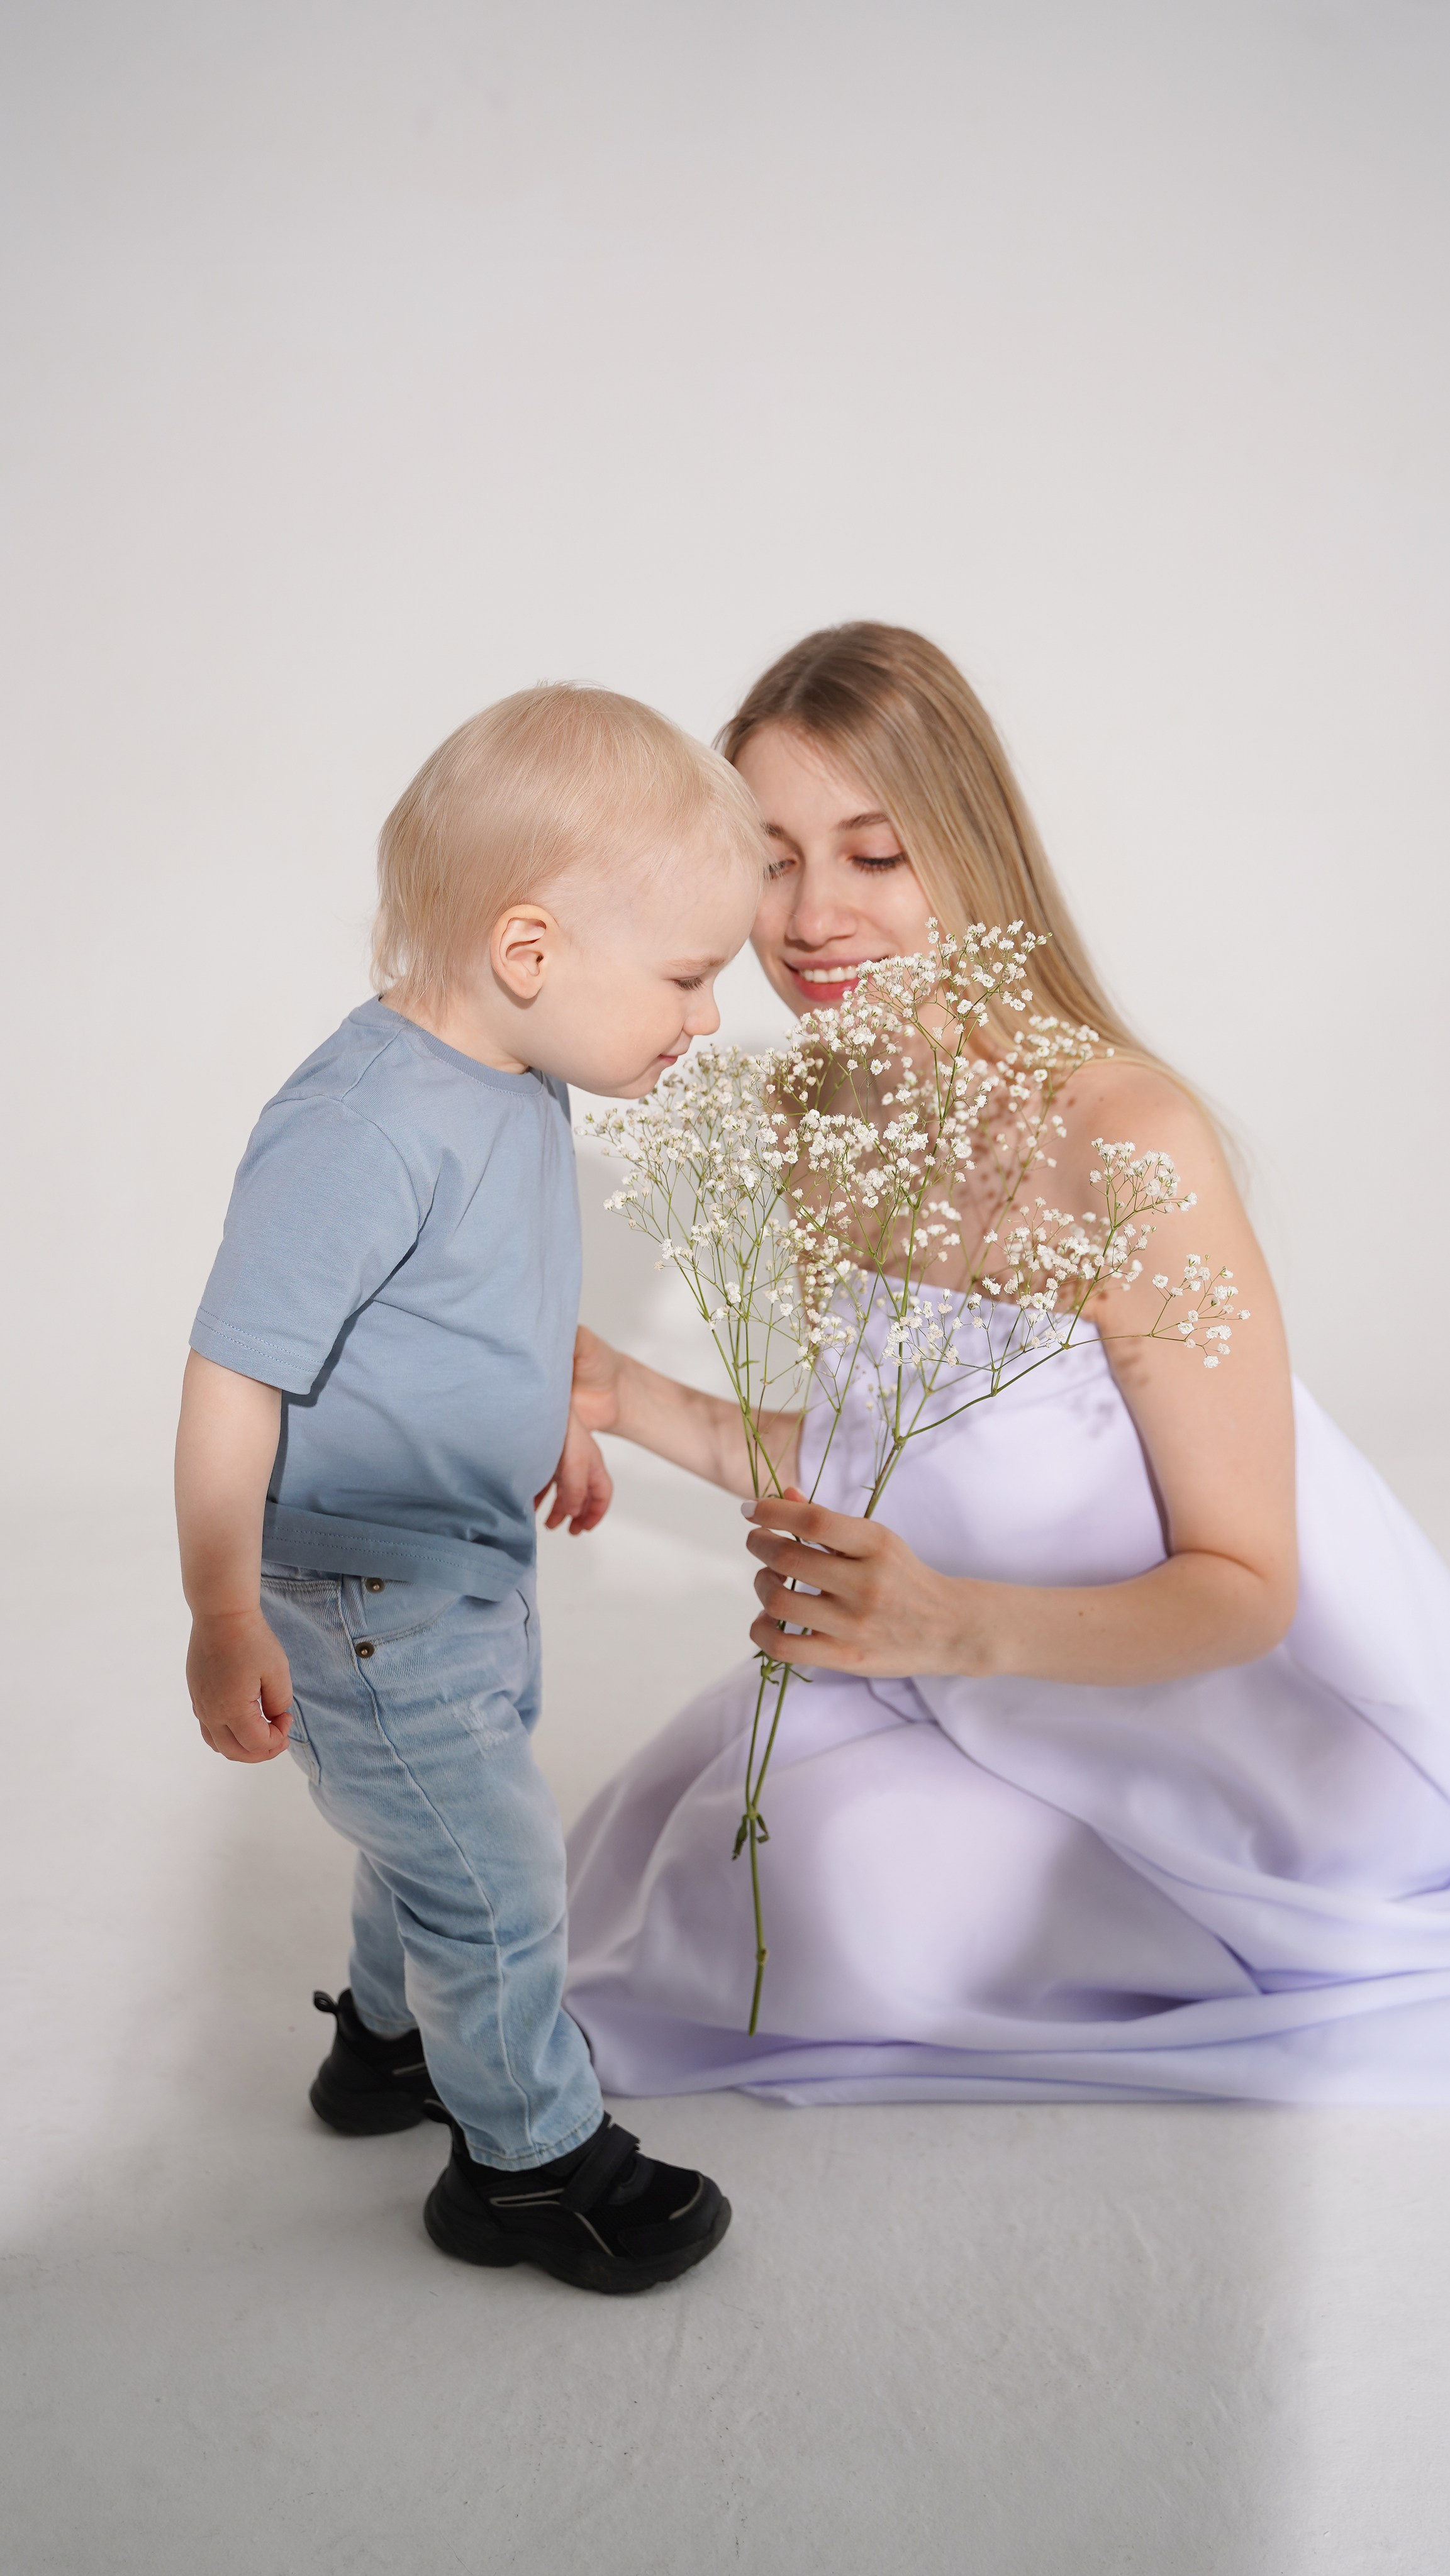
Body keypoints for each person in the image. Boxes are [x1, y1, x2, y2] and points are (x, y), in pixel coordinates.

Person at [564, 623, 1450, 2106]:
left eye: (875, 854)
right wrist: (626, 1397)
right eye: (770, 859)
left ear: (968, 853)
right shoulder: (817, 1109)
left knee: (820, 1905)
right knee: (679, 1856)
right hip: (956, 1670)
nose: (813, 915)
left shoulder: (1127, 1140)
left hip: (1214, 1722)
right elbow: (893, 1458)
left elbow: (1247, 1587)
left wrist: (951, 1624)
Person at [176, 685, 764, 2289]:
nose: (709, 1017)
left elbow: (474, 1298)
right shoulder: (363, 1125)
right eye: (690, 976)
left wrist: (546, 1416)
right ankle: (525, 2163)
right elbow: (237, 1371)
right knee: (498, 1879)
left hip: (459, 1564)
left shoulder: (519, 1076)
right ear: (532, 949)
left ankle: (385, 2048)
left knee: (435, 1829)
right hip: (362, 1591)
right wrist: (225, 1606)